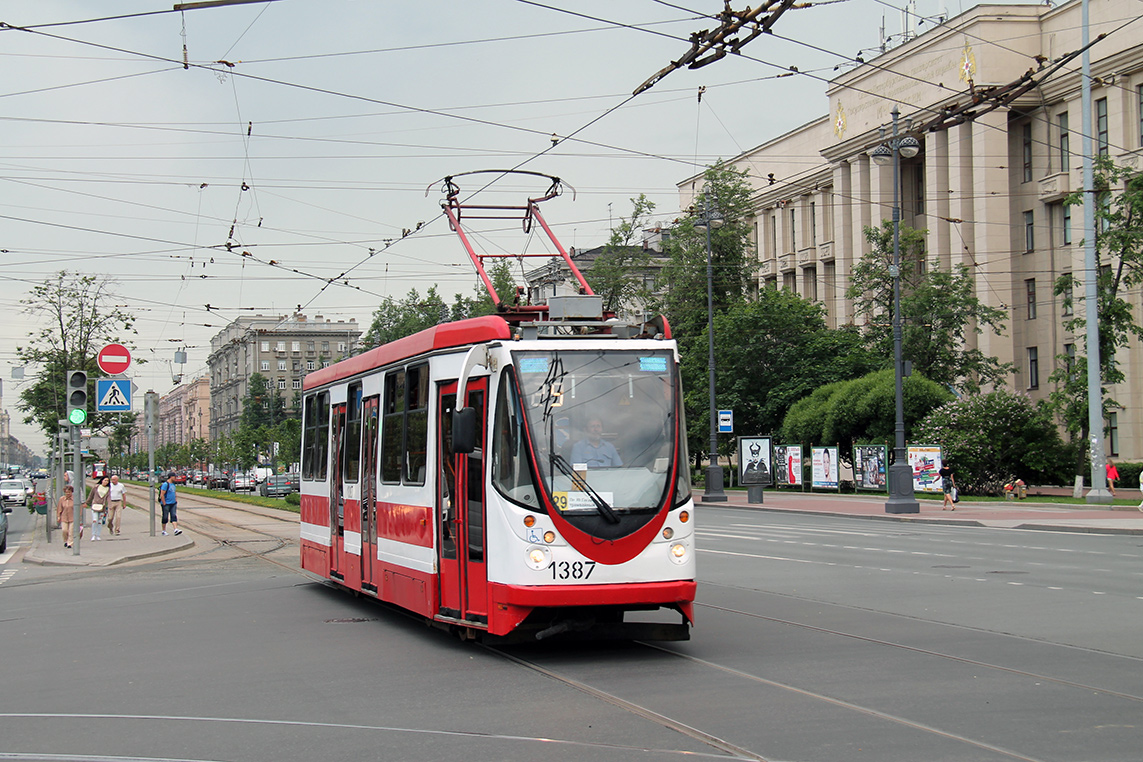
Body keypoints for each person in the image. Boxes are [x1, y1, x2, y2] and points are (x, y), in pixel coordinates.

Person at [86, 476, 111, 540]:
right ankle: (93, 534)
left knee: (100, 521)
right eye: (105, 480)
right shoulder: (96, 487)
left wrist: (109, 505)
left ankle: (98, 535)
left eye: (107, 481)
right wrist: (87, 502)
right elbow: (91, 495)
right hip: (95, 505)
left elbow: (109, 498)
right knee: (95, 520)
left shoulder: (108, 489)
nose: (106, 482)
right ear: (102, 480)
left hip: (102, 507)